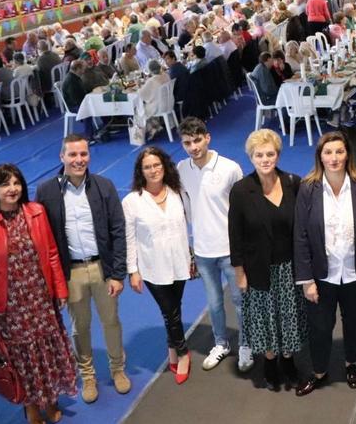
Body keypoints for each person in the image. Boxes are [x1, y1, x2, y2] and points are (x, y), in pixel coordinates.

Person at [0, 164, 77, 424]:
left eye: (16, 183)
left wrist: (60, 289)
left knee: (47, 354)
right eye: (5, 184)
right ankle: (30, 407)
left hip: (40, 298)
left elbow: (51, 252)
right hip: (9, 307)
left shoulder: (36, 212)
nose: (12, 189)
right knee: (22, 360)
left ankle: (50, 400)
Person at [293, 131, 356, 396]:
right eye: (328, 152)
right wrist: (306, 280)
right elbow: (300, 237)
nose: (334, 158)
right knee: (320, 326)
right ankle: (319, 371)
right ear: (320, 157)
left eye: (339, 151)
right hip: (321, 276)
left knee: (355, 321)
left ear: (348, 154)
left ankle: (351, 364)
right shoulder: (307, 188)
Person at [35, 134, 130, 405]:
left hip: (102, 268)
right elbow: (45, 239)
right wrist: (54, 282)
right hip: (72, 272)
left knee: (111, 321)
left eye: (83, 155)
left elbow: (118, 231)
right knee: (81, 326)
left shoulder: (104, 186)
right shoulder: (46, 191)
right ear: (62, 157)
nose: (79, 160)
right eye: (73, 155)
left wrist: (117, 273)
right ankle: (87, 375)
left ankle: (117, 368)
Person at [229, 129, 306, 391]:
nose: (265, 159)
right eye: (259, 155)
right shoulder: (241, 191)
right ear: (250, 157)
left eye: (270, 154)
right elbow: (235, 235)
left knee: (289, 318)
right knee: (266, 320)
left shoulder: (293, 183)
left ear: (278, 155)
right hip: (259, 269)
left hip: (289, 269)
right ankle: (270, 364)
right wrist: (240, 272)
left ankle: (289, 362)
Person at [176, 118, 248, 372]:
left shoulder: (230, 168)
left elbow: (243, 210)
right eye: (187, 142)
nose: (193, 146)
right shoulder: (181, 169)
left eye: (197, 140)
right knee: (214, 302)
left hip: (231, 250)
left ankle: (247, 345)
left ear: (207, 138)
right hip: (203, 251)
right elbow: (183, 208)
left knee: (240, 301)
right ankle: (221, 343)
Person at [123, 147, 193, 384]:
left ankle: (172, 348)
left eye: (156, 165)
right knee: (170, 311)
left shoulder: (177, 192)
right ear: (140, 171)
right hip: (152, 267)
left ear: (164, 166)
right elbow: (129, 238)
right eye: (147, 167)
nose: (153, 171)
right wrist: (133, 271)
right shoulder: (132, 201)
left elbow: (189, 223)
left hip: (180, 263)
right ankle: (183, 353)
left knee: (173, 309)